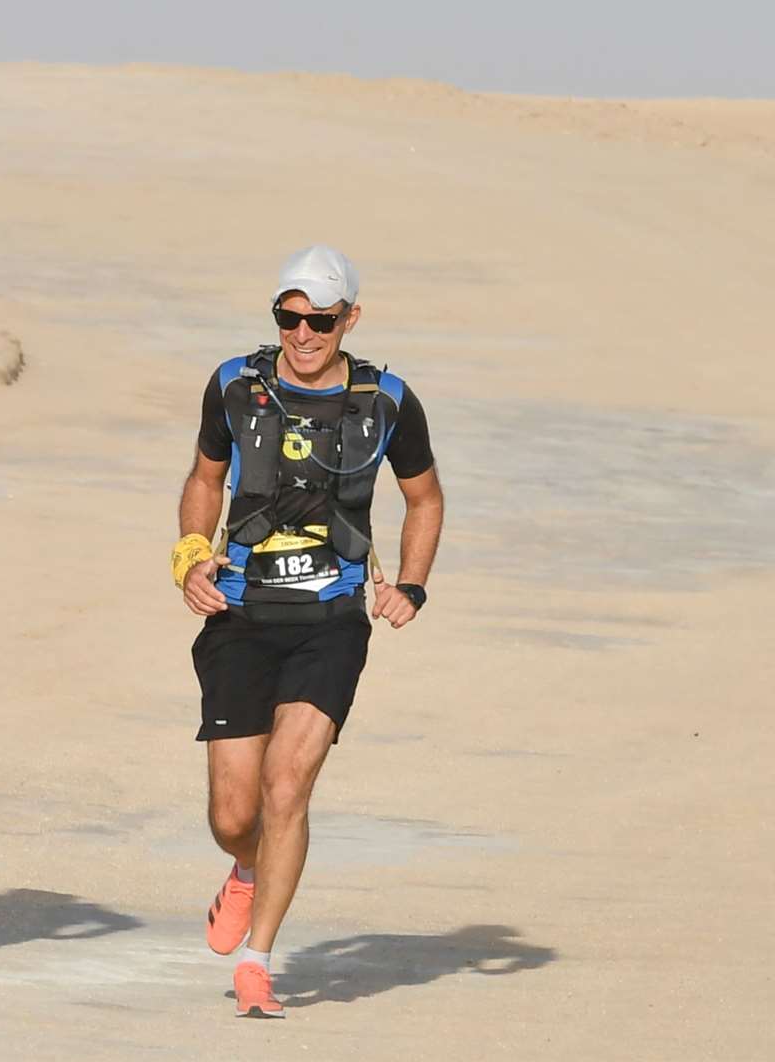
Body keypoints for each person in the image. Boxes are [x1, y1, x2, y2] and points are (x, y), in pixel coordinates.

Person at [174, 246, 444, 1017]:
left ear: (348, 319)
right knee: (233, 815)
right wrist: (190, 557)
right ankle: (246, 869)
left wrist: (414, 586)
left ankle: (257, 962)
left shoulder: (387, 400)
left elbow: (424, 499)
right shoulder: (234, 385)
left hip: (330, 617)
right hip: (238, 611)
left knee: (286, 786)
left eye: (319, 320)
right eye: (288, 318)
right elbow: (203, 479)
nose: (302, 334)